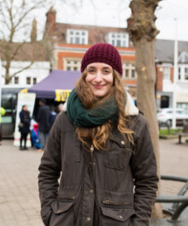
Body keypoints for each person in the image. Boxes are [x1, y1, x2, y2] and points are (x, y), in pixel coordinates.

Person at [38, 43, 158, 226]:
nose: (98, 78)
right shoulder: (65, 120)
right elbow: (48, 171)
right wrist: (49, 214)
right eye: (92, 70)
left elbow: (146, 180)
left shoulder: (134, 122)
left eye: (106, 71)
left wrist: (139, 223)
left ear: (115, 76)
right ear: (84, 75)